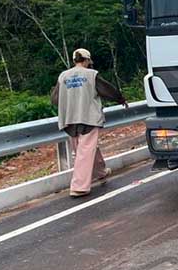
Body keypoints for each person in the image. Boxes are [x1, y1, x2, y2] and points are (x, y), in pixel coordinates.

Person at [51, 49, 128, 197]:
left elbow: (54, 99)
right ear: (87, 60)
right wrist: (120, 99)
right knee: (85, 151)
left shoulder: (63, 76)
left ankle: (100, 172)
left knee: (84, 149)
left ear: (74, 60)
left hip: (69, 119)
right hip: (88, 117)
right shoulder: (91, 75)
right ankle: (79, 187)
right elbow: (107, 90)